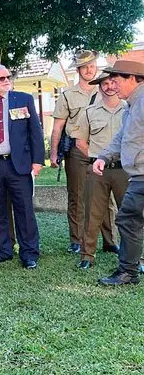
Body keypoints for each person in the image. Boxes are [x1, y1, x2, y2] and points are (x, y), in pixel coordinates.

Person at [0, 65, 45, 269]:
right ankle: (3, 250)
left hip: (18, 165)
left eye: (8, 76)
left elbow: (35, 132)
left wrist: (37, 161)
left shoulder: (23, 99)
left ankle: (29, 253)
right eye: (1, 78)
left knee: (24, 210)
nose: (6, 80)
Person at [94, 59, 144, 286]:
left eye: (117, 79)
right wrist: (104, 157)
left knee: (127, 219)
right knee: (128, 220)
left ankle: (128, 272)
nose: (113, 84)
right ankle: (129, 271)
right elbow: (122, 138)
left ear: (133, 79)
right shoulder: (131, 106)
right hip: (138, 177)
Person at [50, 50, 100, 254]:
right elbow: (57, 128)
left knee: (104, 197)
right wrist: (53, 154)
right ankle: (77, 240)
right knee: (77, 196)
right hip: (77, 150)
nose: (90, 70)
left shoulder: (106, 90)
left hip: (102, 149)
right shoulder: (67, 95)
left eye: (92, 66)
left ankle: (108, 239)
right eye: (85, 67)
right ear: (78, 70)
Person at [77, 73, 126, 269]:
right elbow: (80, 141)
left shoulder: (130, 109)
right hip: (98, 170)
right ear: (99, 87)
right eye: (104, 83)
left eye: (113, 82)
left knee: (130, 214)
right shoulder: (89, 112)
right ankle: (87, 256)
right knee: (92, 214)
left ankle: (134, 256)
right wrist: (96, 157)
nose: (109, 86)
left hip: (125, 169)